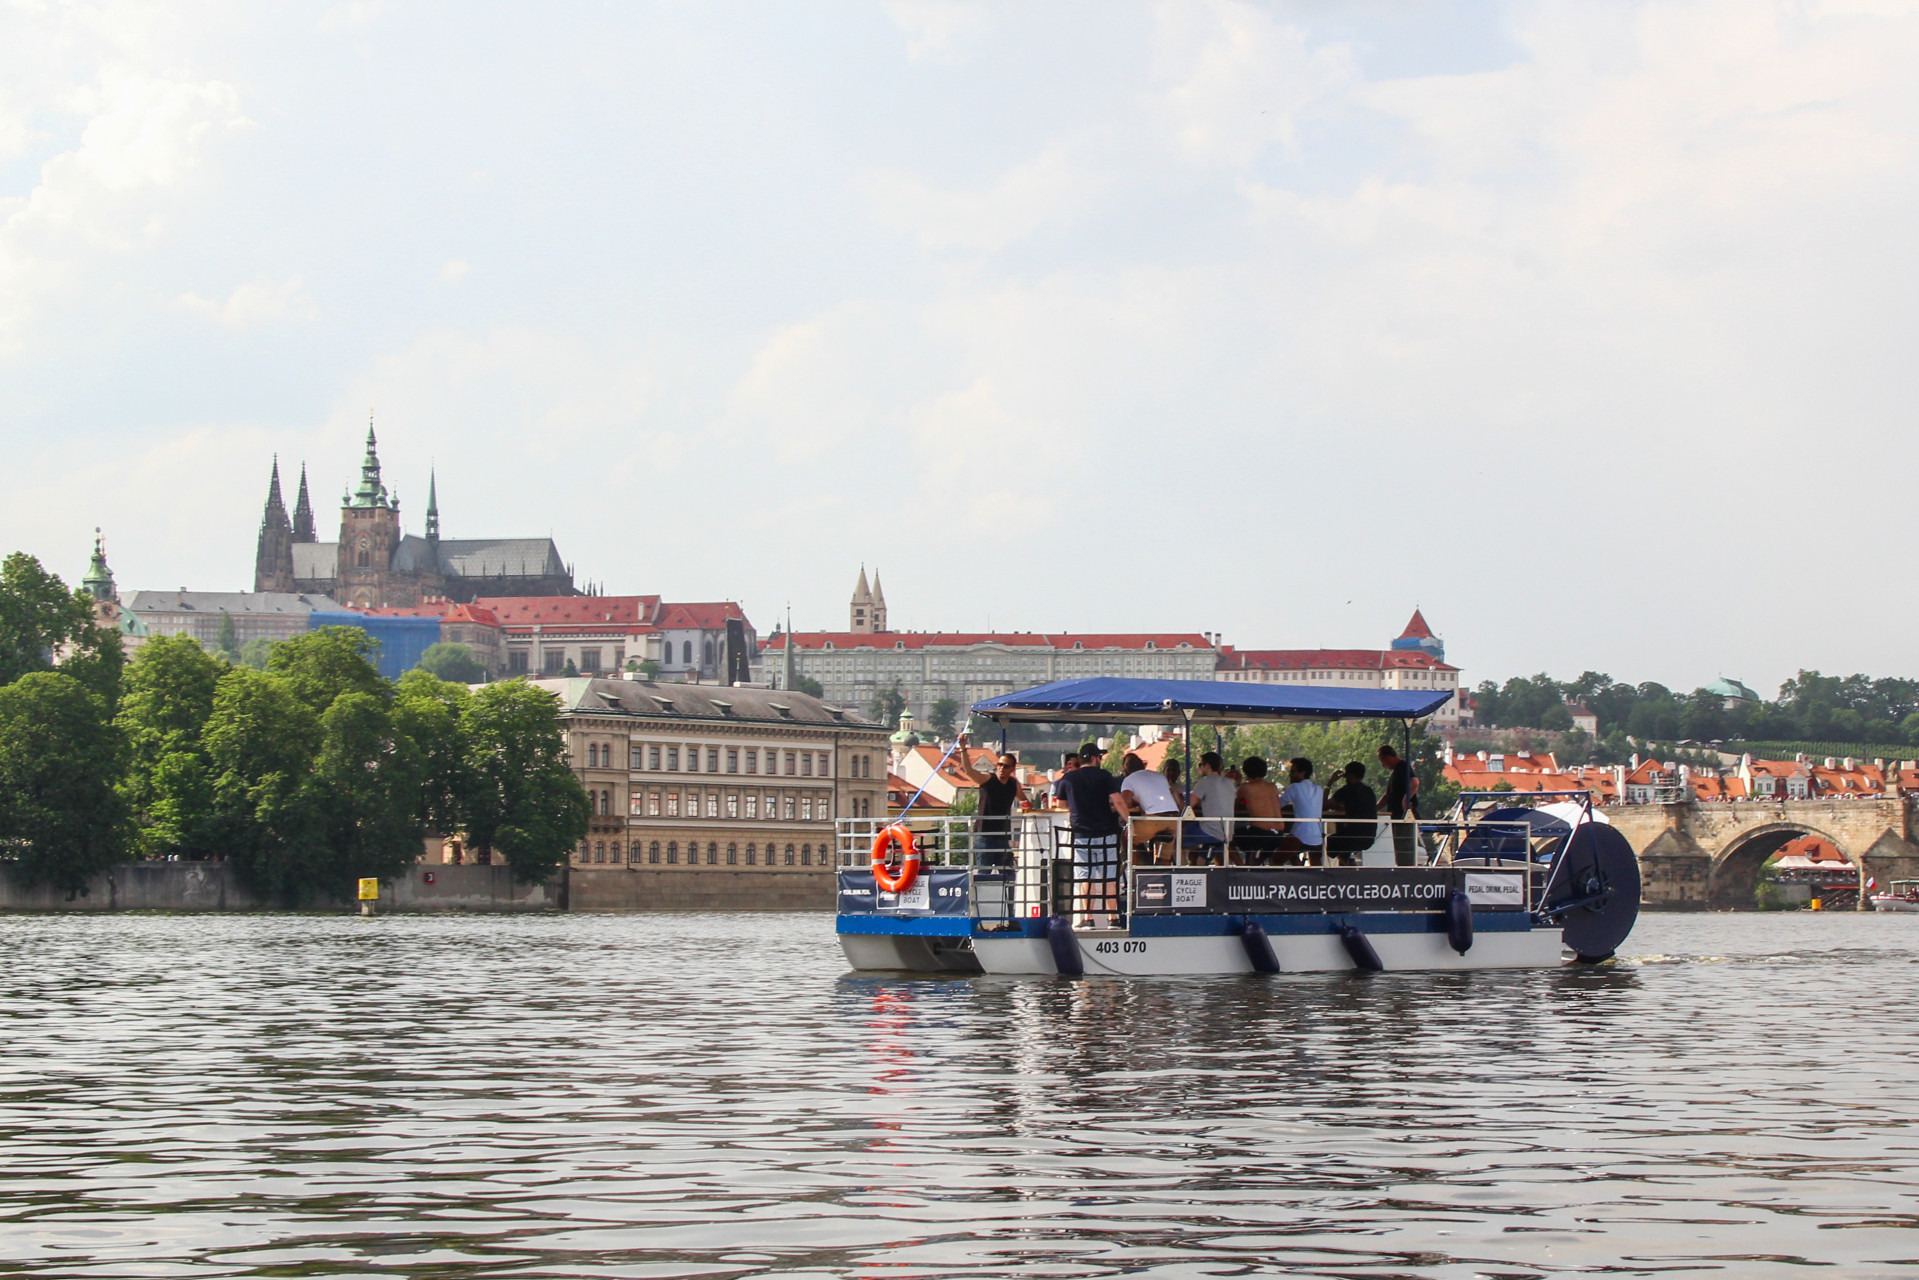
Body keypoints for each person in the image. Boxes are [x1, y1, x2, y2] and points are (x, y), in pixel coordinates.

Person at [1053, 741, 1126, 928]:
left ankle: (1088, 918)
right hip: (1106, 834)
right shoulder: (1105, 776)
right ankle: (1113, 919)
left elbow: (1061, 805)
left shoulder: (1068, 779)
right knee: (1108, 877)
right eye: (1100, 757)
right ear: (1094, 758)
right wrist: (1131, 821)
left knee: (1085, 877)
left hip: (1081, 835)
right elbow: (1117, 801)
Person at [955, 735, 1020, 868]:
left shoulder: (1013, 784)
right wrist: (963, 748)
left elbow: (1024, 800)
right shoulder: (988, 779)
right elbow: (968, 770)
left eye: (1006, 766)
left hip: (1002, 835)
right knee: (984, 875)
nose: (1001, 768)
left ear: (1012, 768)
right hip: (984, 835)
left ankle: (1007, 890)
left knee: (1008, 875)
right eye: (999, 765)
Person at [1117, 752, 1181, 863]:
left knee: (1128, 837)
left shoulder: (1128, 780)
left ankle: (1135, 869)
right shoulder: (1159, 776)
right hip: (1174, 819)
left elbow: (1124, 804)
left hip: (1154, 819)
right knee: (1165, 857)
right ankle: (1163, 874)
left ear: (1125, 771)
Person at [1326, 761, 1378, 866]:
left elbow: (1325, 805)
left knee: (1332, 840)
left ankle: (1345, 864)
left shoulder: (1346, 790)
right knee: (1344, 835)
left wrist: (1330, 782)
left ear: (1349, 775)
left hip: (1353, 836)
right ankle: (1348, 863)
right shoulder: (1369, 791)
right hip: (1369, 836)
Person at [1234, 756, 1285, 863]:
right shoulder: (1273, 786)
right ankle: (1254, 866)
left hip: (1260, 834)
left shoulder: (1245, 787)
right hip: (1279, 834)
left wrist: (1236, 782)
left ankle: (1243, 868)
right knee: (1258, 850)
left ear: (1246, 771)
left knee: (1226, 838)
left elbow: (1233, 805)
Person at [1187, 752, 1237, 860]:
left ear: (1208, 766)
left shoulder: (1204, 782)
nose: (1198, 768)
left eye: (1200, 765)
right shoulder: (1230, 783)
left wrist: (1175, 796)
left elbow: (1188, 805)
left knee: (1176, 838)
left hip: (1210, 830)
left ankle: (1179, 871)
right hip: (1227, 832)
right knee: (1202, 859)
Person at [1378, 744, 1419, 867]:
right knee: (1399, 846)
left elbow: (1415, 782)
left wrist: (1406, 801)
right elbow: (1388, 795)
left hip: (1403, 816)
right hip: (1396, 816)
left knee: (1404, 847)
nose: (1383, 765)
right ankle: (1401, 866)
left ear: (1389, 757)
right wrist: (1375, 809)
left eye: (1383, 761)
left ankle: (1406, 869)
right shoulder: (1397, 771)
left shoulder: (1403, 767)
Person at [1277, 757, 1324, 864]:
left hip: (1299, 835)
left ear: (1302, 773)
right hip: (1318, 837)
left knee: (1275, 860)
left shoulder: (1294, 787)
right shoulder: (1319, 789)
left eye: (1293, 772)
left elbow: (1278, 805)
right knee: (1315, 863)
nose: (1290, 775)